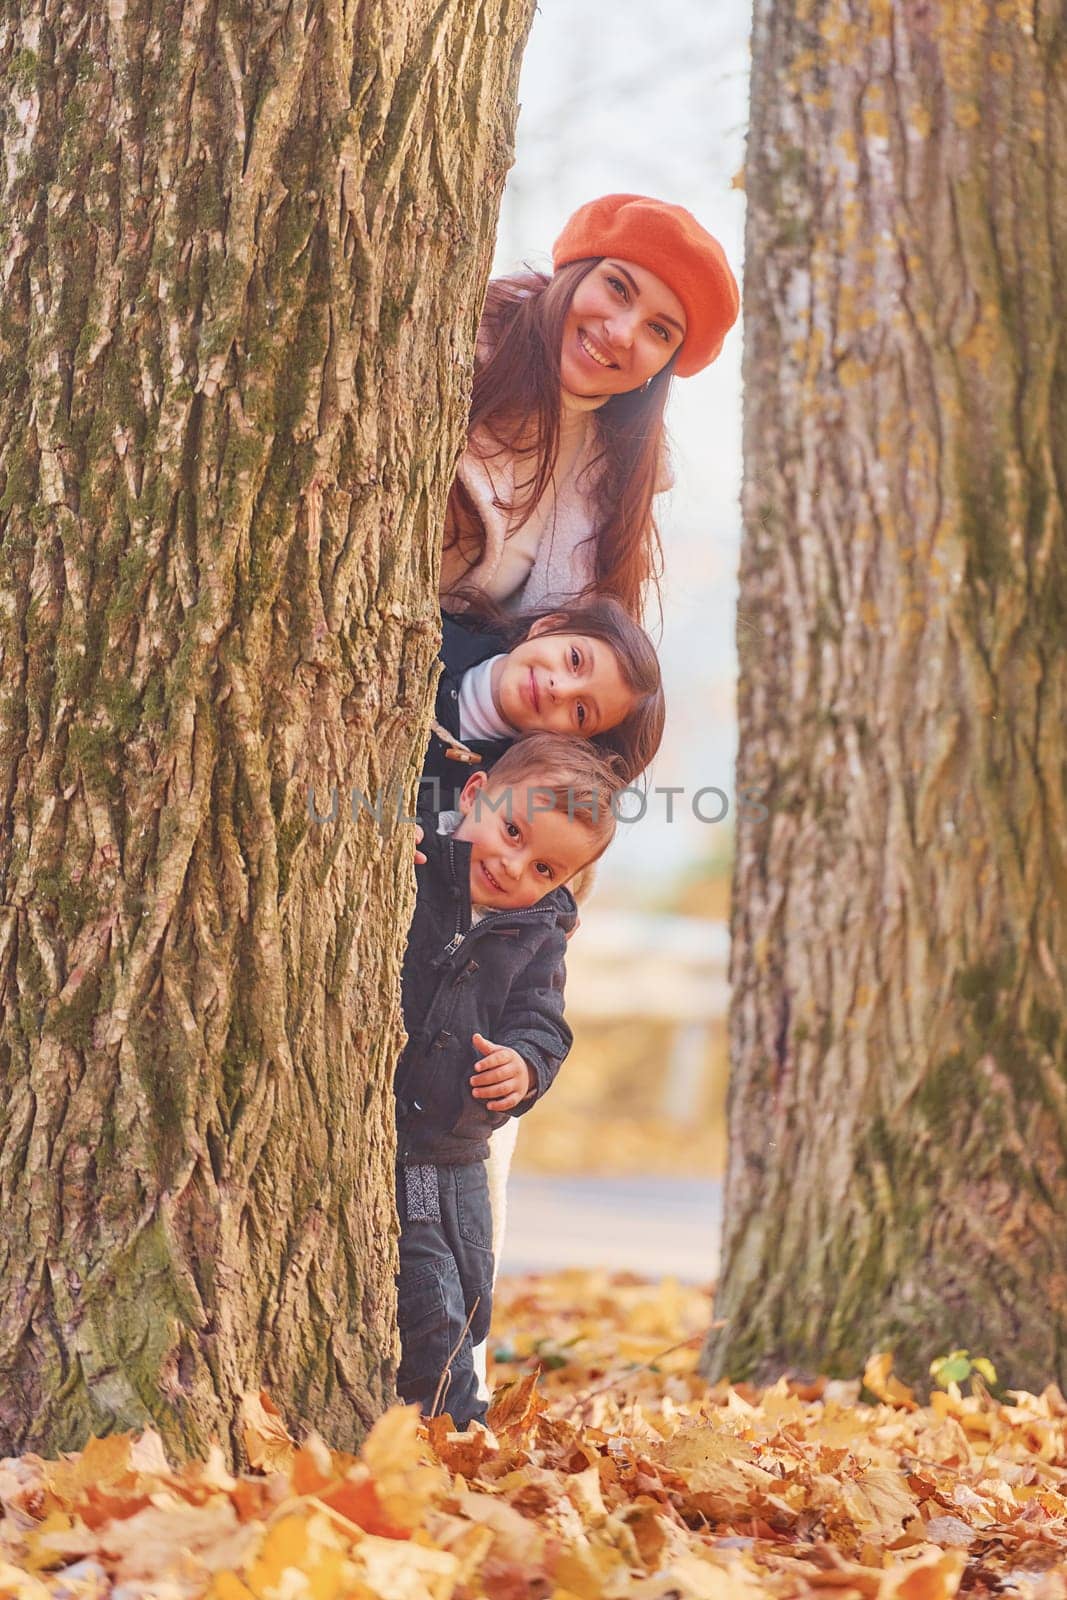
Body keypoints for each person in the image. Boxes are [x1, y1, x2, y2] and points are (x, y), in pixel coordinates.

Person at [395, 735, 620, 1428]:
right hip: (391, 1130)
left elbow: (543, 1025)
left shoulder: (539, 933)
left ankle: (446, 1425)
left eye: (544, 866)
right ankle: (453, 1424)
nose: (511, 863)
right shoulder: (416, 864)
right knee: (427, 1292)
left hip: (448, 1149)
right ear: (472, 795)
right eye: (511, 829)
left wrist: (523, 1065)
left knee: (463, 1294)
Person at [440, 193, 740, 620]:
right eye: (617, 287)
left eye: (659, 330)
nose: (621, 333)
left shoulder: (621, 470)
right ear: (576, 274)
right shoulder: (457, 352)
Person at [422, 596, 665, 814]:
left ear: (570, 749)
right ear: (549, 626)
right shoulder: (430, 628)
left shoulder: (485, 800)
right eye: (575, 659)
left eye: (580, 712)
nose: (559, 689)